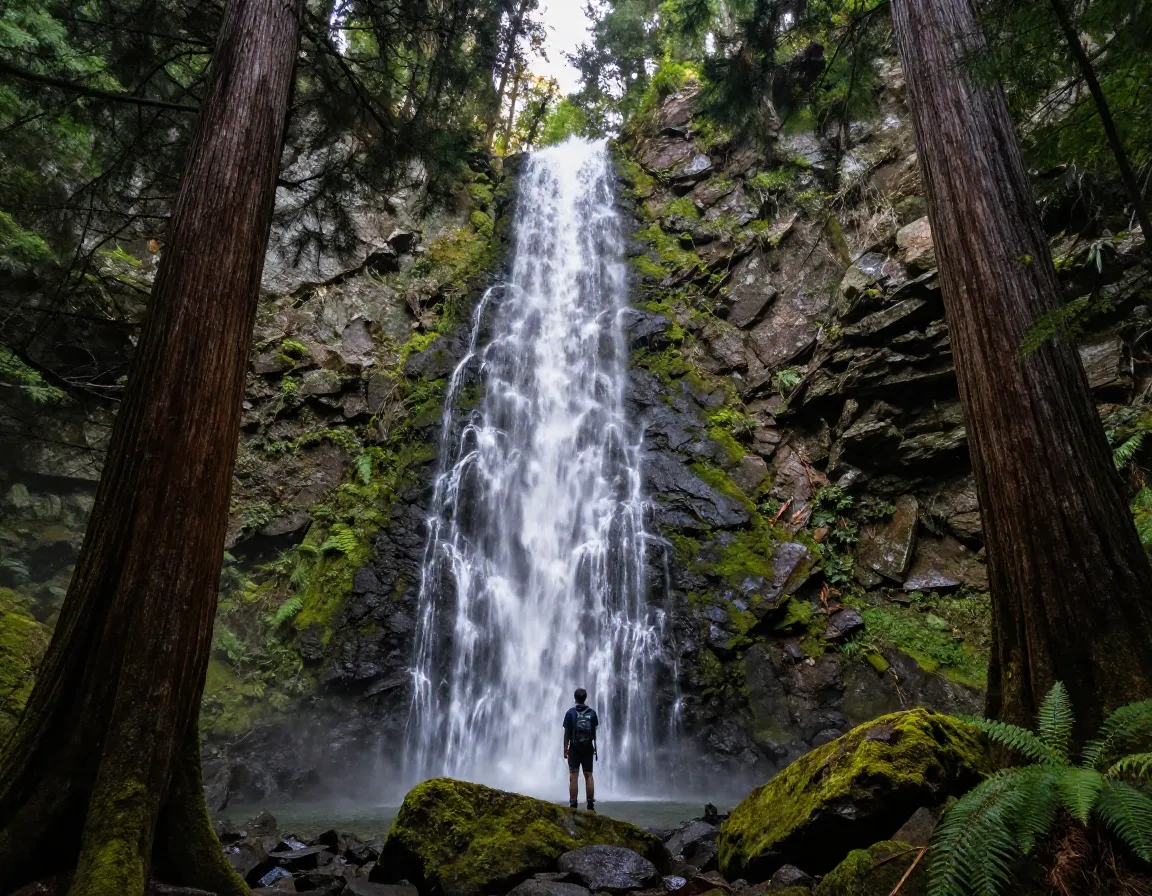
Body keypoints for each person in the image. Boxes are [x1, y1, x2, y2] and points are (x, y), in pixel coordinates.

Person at [562, 687, 599, 810]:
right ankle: (590, 805)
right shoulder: (592, 713)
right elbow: (594, 733)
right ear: (585, 698)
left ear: (575, 698)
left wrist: (565, 748)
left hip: (574, 748)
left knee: (573, 775)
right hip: (588, 747)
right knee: (588, 775)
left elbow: (567, 732)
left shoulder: (570, 713)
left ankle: (573, 804)